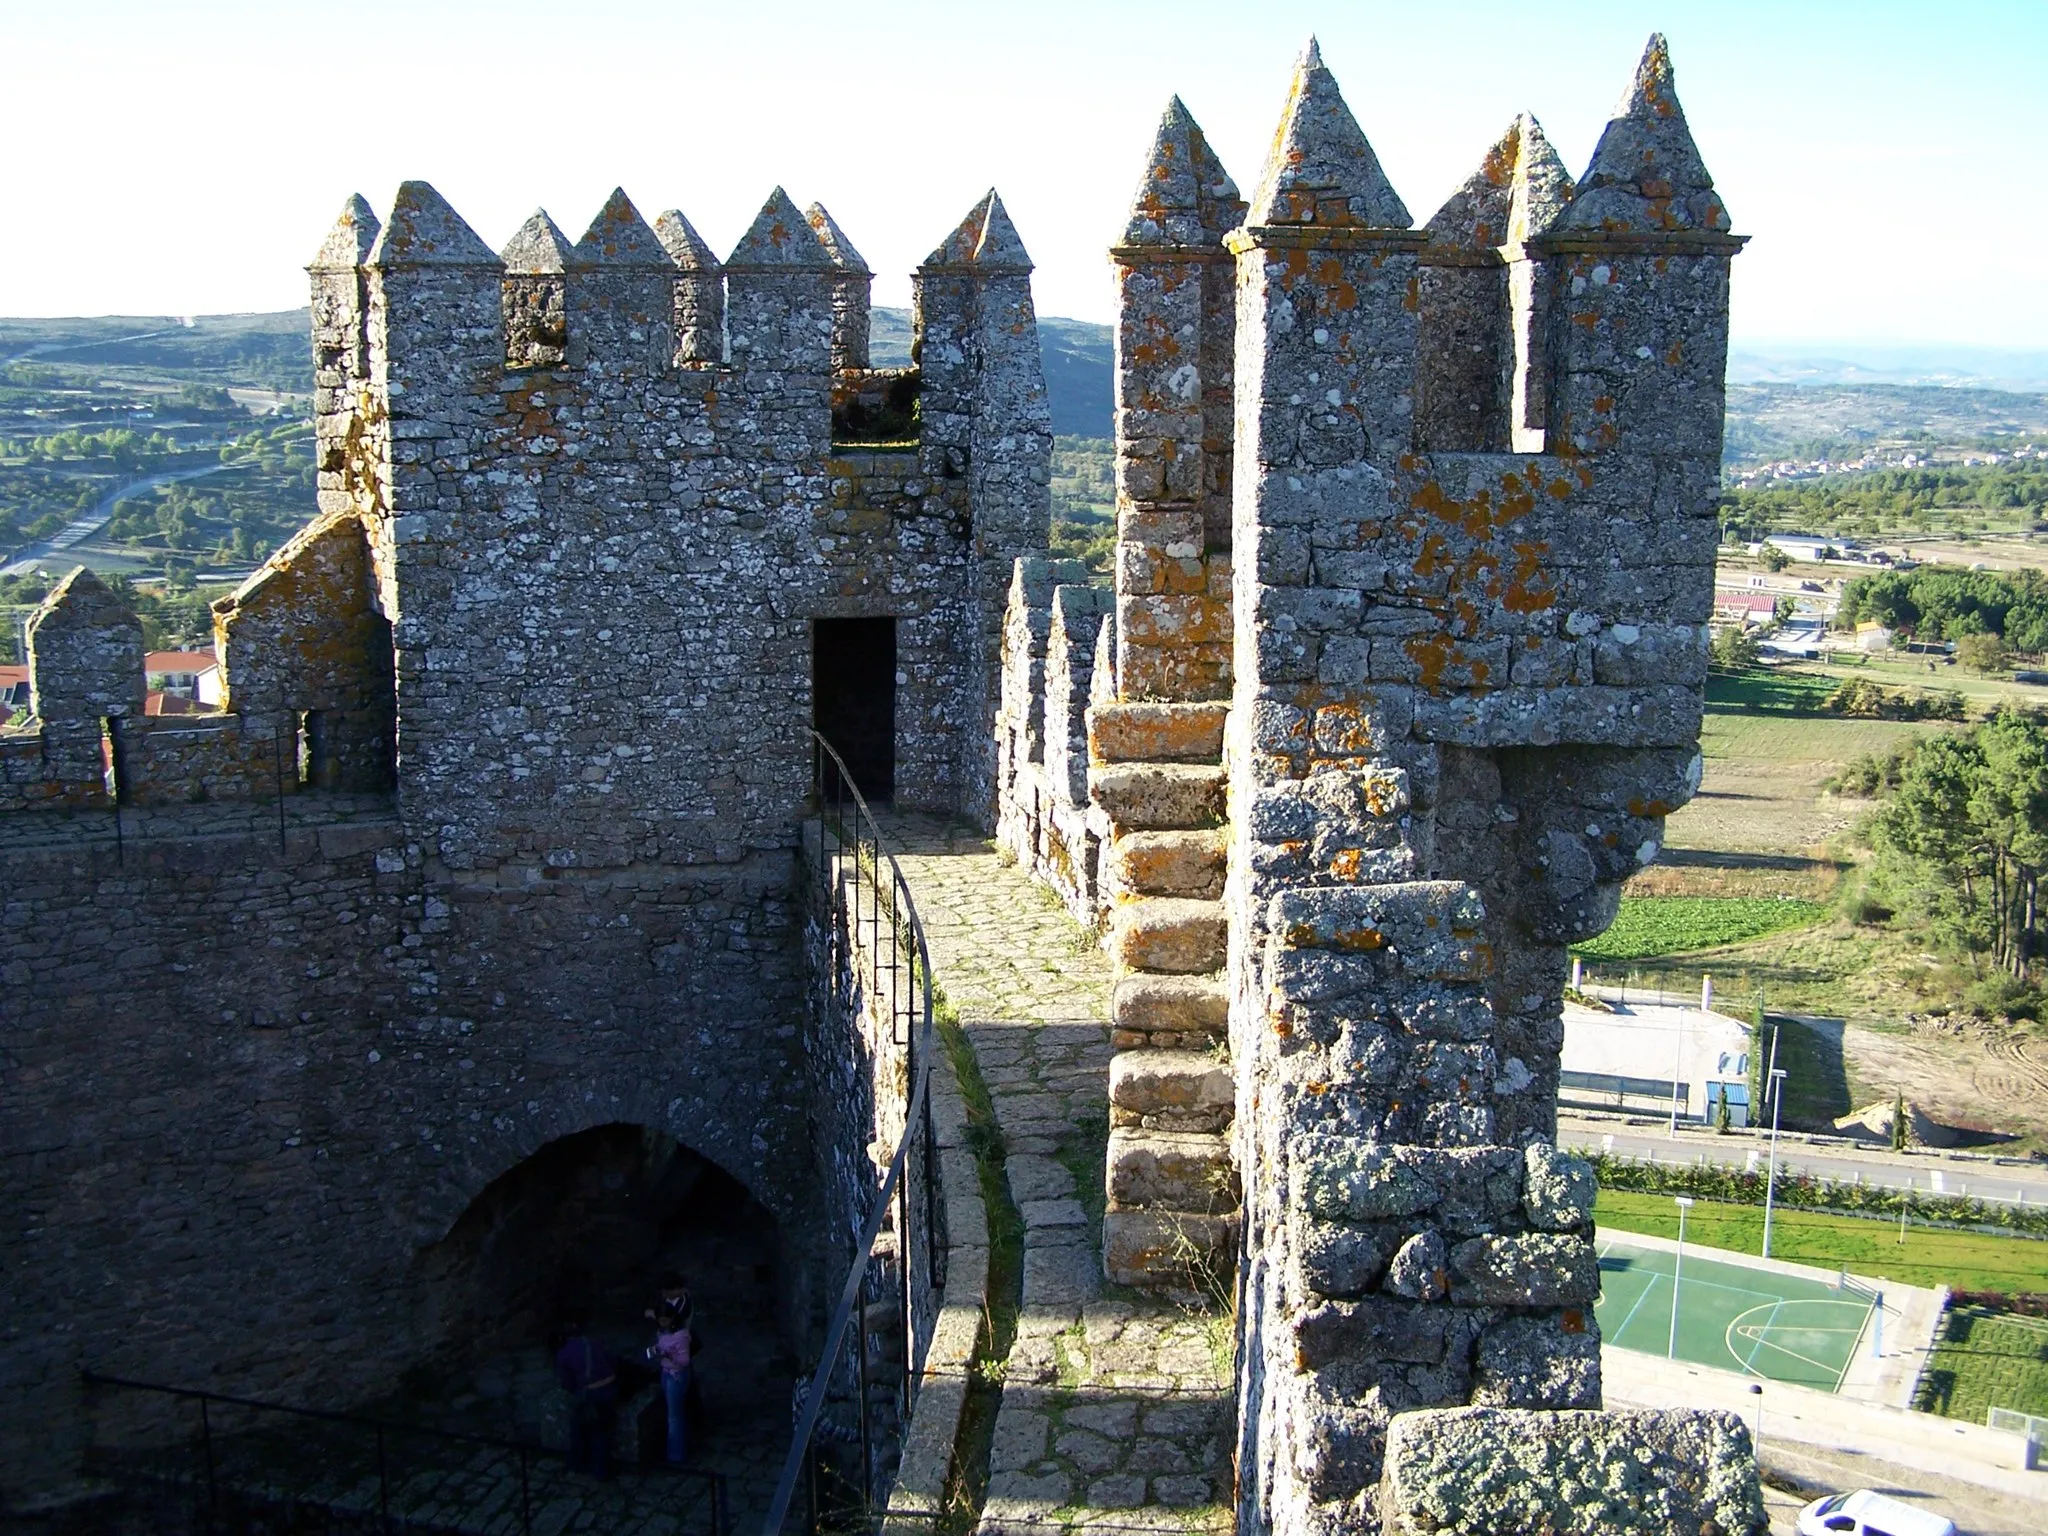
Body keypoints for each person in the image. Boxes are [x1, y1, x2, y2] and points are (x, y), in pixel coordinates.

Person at [553, 1314, 617, 1479]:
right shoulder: (595, 1344)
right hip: (608, 1389)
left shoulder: (564, 1354)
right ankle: (600, 1470)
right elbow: (611, 1362)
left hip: (589, 1394)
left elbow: (568, 1383)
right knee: (600, 1430)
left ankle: (580, 1465)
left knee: (582, 1429)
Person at [646, 1303, 693, 1465]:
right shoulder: (663, 1331)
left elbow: (684, 1360)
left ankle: (676, 1455)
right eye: (660, 1320)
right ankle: (681, 1445)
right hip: (666, 1373)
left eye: (665, 1320)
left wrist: (666, 1353)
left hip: (677, 1376)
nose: (662, 1323)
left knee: (674, 1417)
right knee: (675, 1413)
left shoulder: (681, 1335)